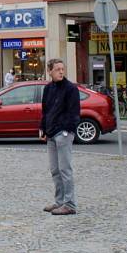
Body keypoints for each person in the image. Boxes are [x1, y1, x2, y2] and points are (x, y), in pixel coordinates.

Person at [39, 58, 80, 216]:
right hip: (50, 133)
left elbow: (74, 113)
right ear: (50, 71)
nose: (61, 71)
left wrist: (67, 130)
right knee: (55, 170)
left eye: (62, 69)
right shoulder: (48, 89)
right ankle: (59, 201)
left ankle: (69, 204)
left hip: (63, 133)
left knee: (65, 169)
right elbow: (45, 111)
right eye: (57, 69)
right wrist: (42, 128)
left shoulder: (70, 89)